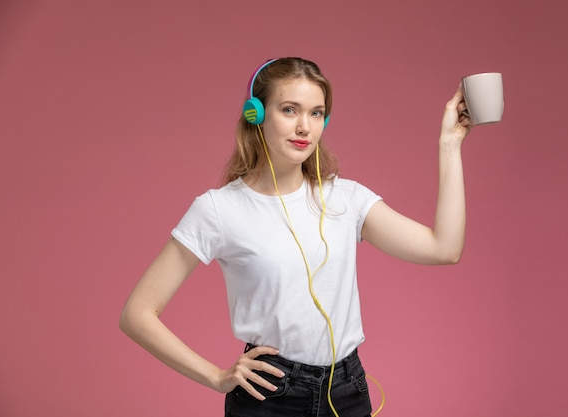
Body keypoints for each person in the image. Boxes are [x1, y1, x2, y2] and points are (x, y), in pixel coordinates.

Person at [119, 57, 472, 417]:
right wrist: (216, 376)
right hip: (271, 394)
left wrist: (450, 142)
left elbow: (443, 248)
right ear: (256, 113)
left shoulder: (346, 199)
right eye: (289, 110)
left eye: (316, 113)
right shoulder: (219, 209)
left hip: (347, 390)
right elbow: (137, 314)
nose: (304, 126)